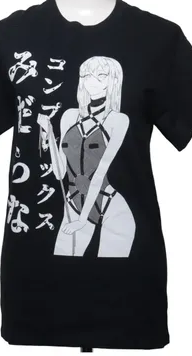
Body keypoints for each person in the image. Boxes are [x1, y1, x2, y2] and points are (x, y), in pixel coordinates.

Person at [38, 56, 136, 257]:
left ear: (113, 81)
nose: (92, 80)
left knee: (111, 270)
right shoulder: (69, 116)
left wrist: (82, 220)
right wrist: (49, 135)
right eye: (87, 75)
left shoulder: (118, 120)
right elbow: (60, 174)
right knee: (63, 262)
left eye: (101, 75)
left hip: (111, 208)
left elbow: (99, 173)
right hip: (74, 203)